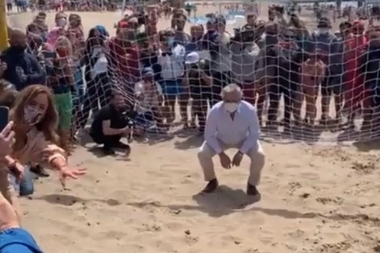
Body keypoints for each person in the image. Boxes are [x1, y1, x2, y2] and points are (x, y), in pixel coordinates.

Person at [0, 85, 87, 210]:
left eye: (41, 107)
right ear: (23, 102)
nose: (35, 109)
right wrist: (12, 163)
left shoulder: (35, 135)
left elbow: (50, 150)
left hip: (8, 175)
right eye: (32, 103)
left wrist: (62, 166)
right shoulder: (4, 119)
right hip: (9, 170)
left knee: (19, 200)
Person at [197, 83, 265, 196]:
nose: (232, 104)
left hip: (244, 139)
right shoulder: (214, 111)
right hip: (221, 139)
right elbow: (209, 135)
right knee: (202, 153)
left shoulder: (249, 110)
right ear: (222, 99)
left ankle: (252, 184)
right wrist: (221, 154)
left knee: (260, 156)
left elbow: (254, 134)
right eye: (228, 101)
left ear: (240, 99)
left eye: (235, 101)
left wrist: (241, 152)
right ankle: (212, 181)